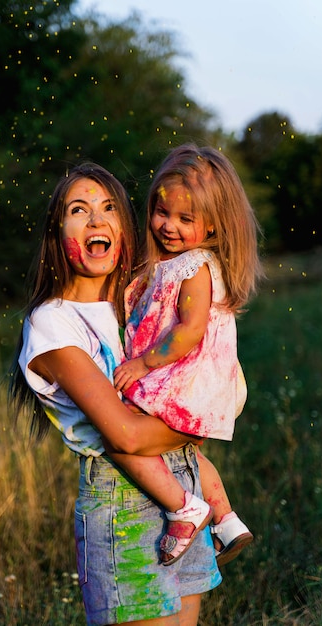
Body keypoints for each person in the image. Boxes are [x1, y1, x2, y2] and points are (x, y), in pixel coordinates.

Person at [8, 162, 221, 626]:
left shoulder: (138, 299)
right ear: (55, 231)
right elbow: (124, 435)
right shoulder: (52, 323)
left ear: (125, 225)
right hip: (122, 507)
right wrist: (203, 423)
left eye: (108, 208)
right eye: (78, 210)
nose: (96, 220)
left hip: (185, 490)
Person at [112, 143, 264, 567]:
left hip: (181, 380)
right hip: (182, 379)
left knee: (120, 438)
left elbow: (190, 330)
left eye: (185, 219)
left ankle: (185, 507)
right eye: (163, 213)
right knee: (188, 454)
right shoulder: (174, 262)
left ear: (213, 226)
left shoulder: (194, 266)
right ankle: (227, 519)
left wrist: (142, 363)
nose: (169, 226)